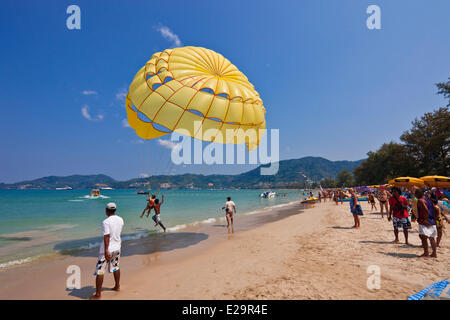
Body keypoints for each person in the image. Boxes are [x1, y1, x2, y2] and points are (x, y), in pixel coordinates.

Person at [91, 202, 124, 300]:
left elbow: (106, 236)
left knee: (100, 271)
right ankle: (117, 286)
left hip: (108, 249)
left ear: (106, 210)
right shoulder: (120, 219)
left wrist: (106, 250)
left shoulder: (106, 222)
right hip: (117, 247)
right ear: (115, 210)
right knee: (116, 266)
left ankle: (98, 295)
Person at [415, 189, 437, 258]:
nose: (415, 195)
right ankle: (434, 253)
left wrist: (425, 219)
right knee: (432, 238)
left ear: (418, 194)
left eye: (415, 194)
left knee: (423, 237)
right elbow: (435, 209)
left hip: (424, 221)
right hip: (432, 220)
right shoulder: (429, 200)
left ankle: (426, 253)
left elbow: (425, 209)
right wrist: (434, 219)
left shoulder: (420, 200)